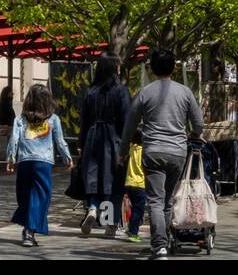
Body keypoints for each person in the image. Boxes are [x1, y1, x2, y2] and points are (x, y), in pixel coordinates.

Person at [119, 49, 205, 260]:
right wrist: (193, 133)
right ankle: (163, 243)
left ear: (152, 68)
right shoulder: (185, 92)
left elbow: (129, 127)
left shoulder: (144, 92)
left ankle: (159, 247)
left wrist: (122, 152)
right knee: (166, 201)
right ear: (174, 68)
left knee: (155, 201)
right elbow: (199, 124)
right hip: (177, 152)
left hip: (153, 151)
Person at [6, 83, 73, 245]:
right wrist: (67, 158)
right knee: (41, 196)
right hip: (43, 163)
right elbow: (60, 141)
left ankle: (27, 228)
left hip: (24, 162)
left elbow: (14, 139)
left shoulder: (20, 119)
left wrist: (10, 159)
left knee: (25, 196)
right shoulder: (53, 119)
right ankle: (29, 232)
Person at [78, 53, 131, 238]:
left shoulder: (90, 92)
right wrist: (125, 146)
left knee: (93, 177)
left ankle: (92, 208)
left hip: (92, 137)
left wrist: (81, 144)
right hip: (113, 139)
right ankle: (109, 225)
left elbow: (83, 121)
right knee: (112, 182)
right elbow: (126, 120)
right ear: (113, 68)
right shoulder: (121, 91)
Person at [123, 129, 148, 244]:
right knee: (138, 210)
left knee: (134, 209)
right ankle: (133, 233)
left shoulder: (131, 149)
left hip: (129, 183)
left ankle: (131, 228)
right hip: (140, 184)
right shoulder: (144, 151)